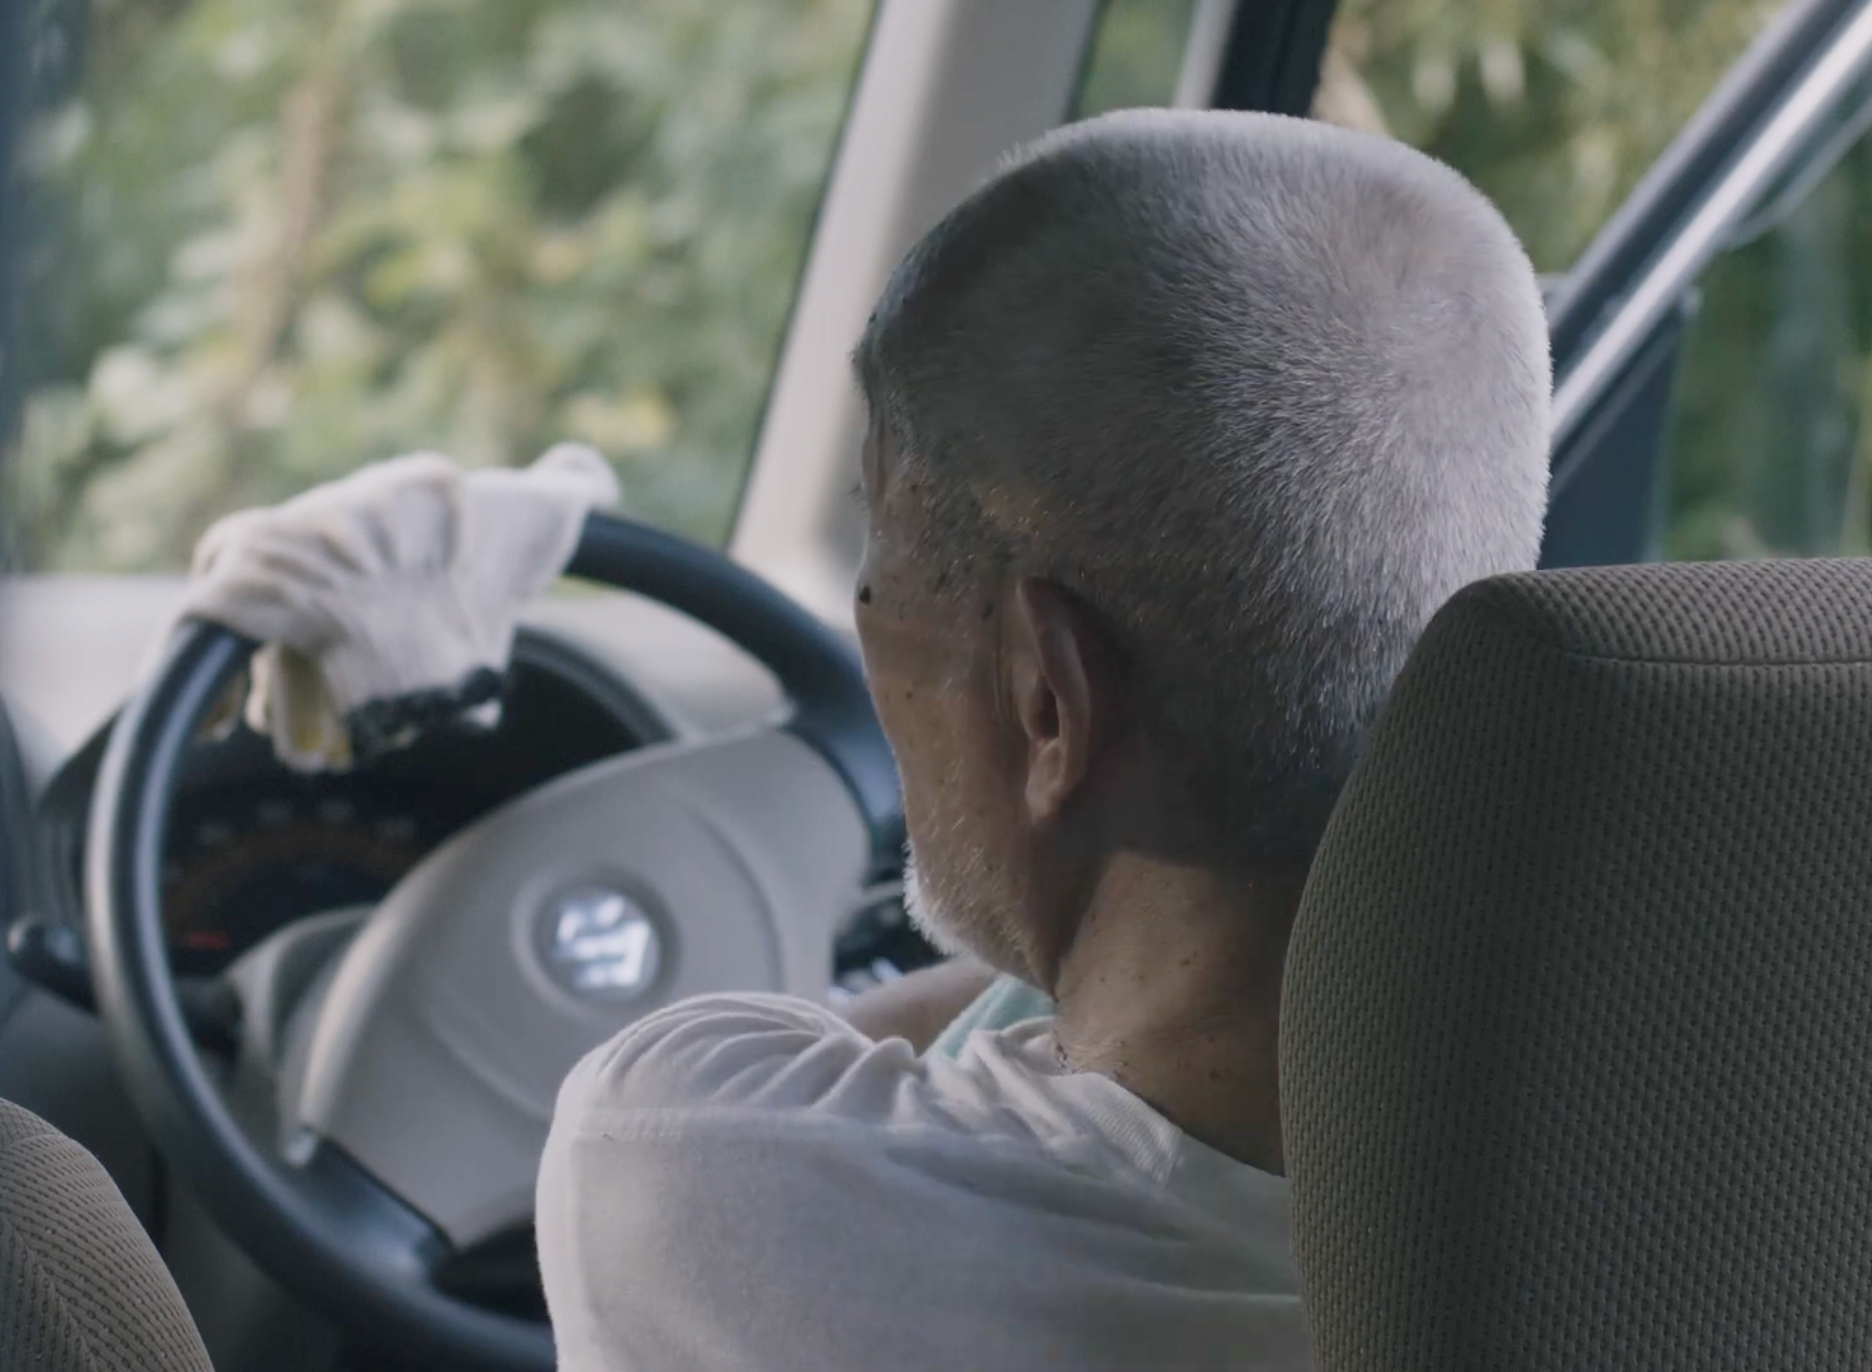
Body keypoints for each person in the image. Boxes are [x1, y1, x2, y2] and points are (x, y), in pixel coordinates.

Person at [534, 108, 1551, 1370]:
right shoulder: (1748, 1171)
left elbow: (875, 1068)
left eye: (879, 564)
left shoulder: (696, 1173)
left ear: (1046, 703)